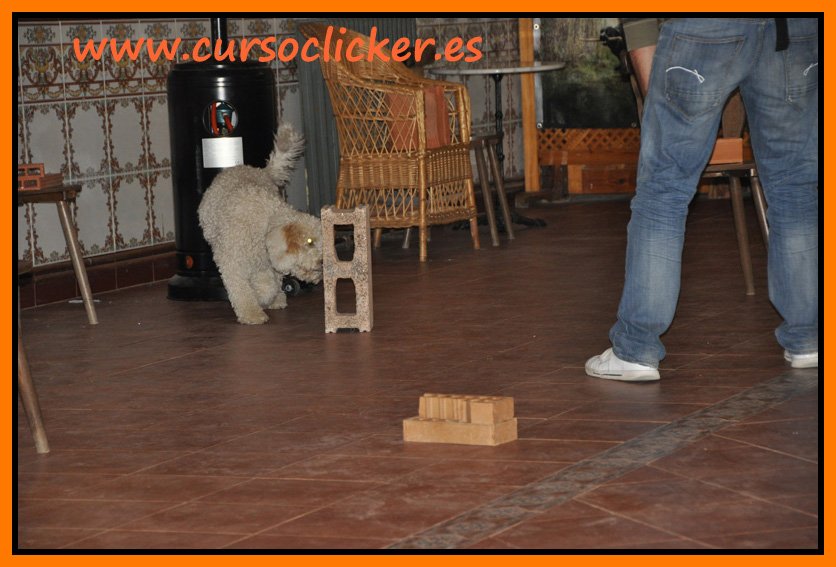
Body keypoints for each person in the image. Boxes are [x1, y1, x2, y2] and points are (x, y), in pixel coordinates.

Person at [586, 18, 819, 382]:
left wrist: (658, 93)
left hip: (706, 24)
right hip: (793, 25)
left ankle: (636, 348)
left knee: (663, 192)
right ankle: (809, 338)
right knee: (795, 188)